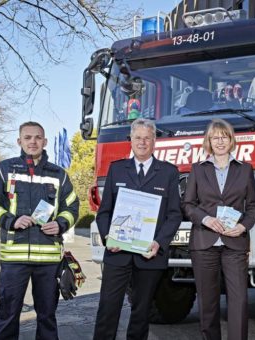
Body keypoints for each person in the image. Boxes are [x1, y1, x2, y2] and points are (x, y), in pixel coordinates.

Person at [0, 121, 79, 340]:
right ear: (19, 141)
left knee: (47, 317)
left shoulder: (59, 175)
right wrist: (10, 221)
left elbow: (72, 207)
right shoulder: (3, 170)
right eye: (27, 137)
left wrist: (61, 223)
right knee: (7, 314)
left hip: (49, 260)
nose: (33, 141)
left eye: (37, 138)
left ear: (44, 141)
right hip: (14, 258)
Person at [93, 118, 182, 340]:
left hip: (149, 254)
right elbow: (104, 212)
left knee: (142, 313)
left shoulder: (169, 172)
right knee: (107, 309)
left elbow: (174, 215)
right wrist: (108, 237)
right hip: (117, 253)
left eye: (147, 138)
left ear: (154, 141)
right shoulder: (116, 169)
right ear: (130, 140)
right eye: (138, 137)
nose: (142, 142)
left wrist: (159, 243)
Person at [182, 118, 255, 340]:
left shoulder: (245, 169)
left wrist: (243, 226)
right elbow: (188, 204)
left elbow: (253, 206)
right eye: (215, 137)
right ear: (208, 141)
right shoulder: (197, 169)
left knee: (239, 301)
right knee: (207, 303)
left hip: (234, 244)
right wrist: (205, 219)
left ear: (231, 140)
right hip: (204, 243)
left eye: (224, 136)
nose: (219, 141)